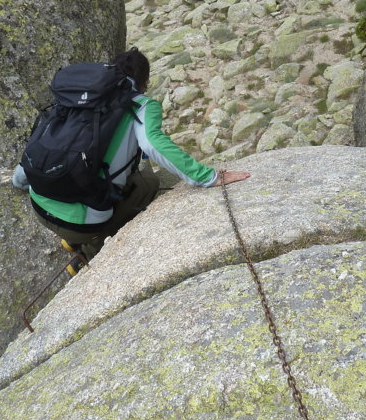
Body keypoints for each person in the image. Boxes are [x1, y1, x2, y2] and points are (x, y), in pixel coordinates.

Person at [13, 47, 250, 263]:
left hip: (38, 202)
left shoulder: (77, 97)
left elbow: (47, 140)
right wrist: (208, 177)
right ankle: (89, 250)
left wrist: (20, 181)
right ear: (145, 82)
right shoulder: (142, 105)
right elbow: (153, 145)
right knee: (148, 182)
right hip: (80, 223)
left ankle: (72, 240)